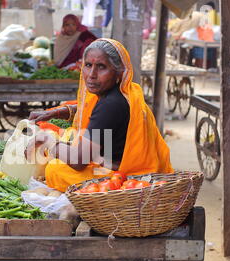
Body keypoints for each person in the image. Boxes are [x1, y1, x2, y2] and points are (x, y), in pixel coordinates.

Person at [27, 38, 174, 193]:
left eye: (101, 67)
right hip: (120, 166)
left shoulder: (110, 104)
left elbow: (79, 161)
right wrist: (56, 112)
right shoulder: (124, 93)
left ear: (119, 73)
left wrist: (47, 141)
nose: (92, 74)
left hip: (124, 179)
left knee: (55, 170)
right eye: (88, 65)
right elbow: (90, 110)